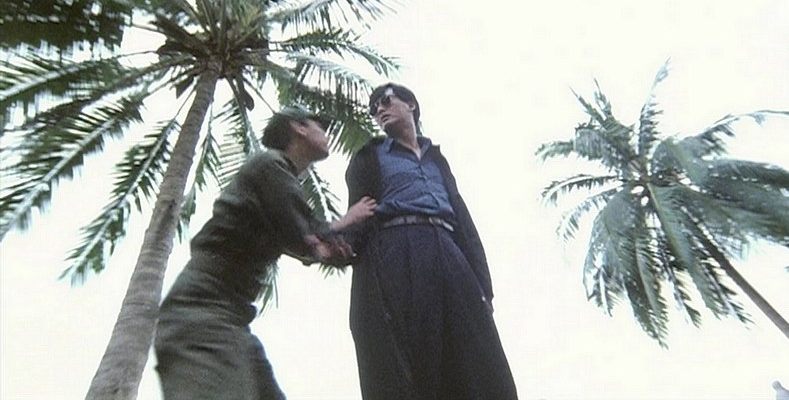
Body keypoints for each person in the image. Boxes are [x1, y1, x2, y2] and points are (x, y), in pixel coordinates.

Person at [153, 107, 376, 400]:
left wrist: (322, 249)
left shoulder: (275, 182)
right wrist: (347, 220)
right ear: (299, 128)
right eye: (319, 126)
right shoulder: (269, 165)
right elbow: (301, 228)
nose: (326, 134)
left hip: (229, 320)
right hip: (201, 315)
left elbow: (298, 237)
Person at [344, 82, 518, 399]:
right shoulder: (370, 157)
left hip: (449, 249)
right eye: (374, 108)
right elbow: (357, 215)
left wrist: (482, 284)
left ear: (411, 105)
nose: (379, 109)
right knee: (416, 350)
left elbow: (464, 222)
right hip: (399, 248)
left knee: (475, 349)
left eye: (385, 101)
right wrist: (339, 244)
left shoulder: (436, 160)